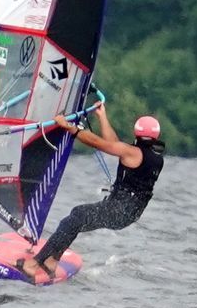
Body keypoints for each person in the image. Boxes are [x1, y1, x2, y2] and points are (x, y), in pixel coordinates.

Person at [20, 108, 164, 284]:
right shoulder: (154, 156)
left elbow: (100, 143)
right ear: (156, 136)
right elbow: (112, 143)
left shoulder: (134, 153)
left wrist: (69, 127)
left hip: (119, 210)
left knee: (75, 219)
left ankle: (34, 264)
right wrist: (102, 116)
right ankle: (51, 262)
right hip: (129, 213)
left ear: (137, 132)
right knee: (76, 215)